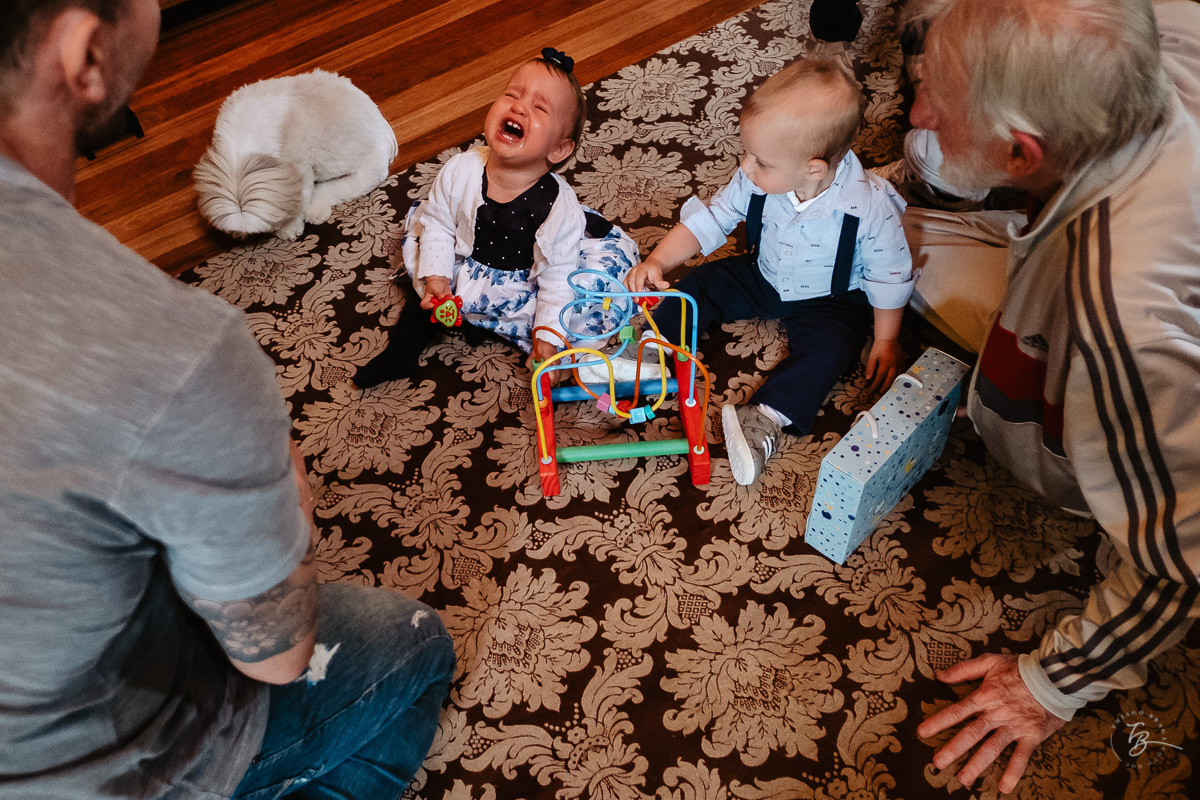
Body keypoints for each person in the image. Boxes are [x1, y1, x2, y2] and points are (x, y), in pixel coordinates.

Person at [0, 2, 456, 798]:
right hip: (85, 773)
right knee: (416, 648)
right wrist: (291, 497)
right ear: (84, 52)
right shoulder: (170, 349)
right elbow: (276, 655)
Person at [894, 0, 1200, 793]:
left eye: (937, 98)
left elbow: (1185, 557)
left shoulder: (1123, 323)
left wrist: (1051, 684)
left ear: (1021, 151)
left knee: (892, 245)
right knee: (914, 184)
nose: (919, 109)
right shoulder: (1158, 28)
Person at [623, 59, 914, 486]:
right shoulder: (756, 178)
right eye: (749, 154)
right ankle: (653, 346)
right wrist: (659, 261)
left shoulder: (870, 208)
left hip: (830, 300)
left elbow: (889, 275)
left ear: (813, 168)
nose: (746, 167)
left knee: (834, 349)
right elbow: (712, 218)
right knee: (701, 284)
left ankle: (766, 418)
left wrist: (886, 339)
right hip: (762, 271)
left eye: (760, 161)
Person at [354, 48, 640, 389]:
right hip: (468, 259)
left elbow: (557, 278)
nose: (519, 107)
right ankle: (401, 353)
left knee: (569, 318)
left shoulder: (557, 208)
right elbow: (440, 225)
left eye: (539, 108)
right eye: (512, 95)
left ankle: (553, 361)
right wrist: (438, 281)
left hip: (531, 277)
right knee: (424, 296)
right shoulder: (461, 170)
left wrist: (546, 339)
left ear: (559, 149)